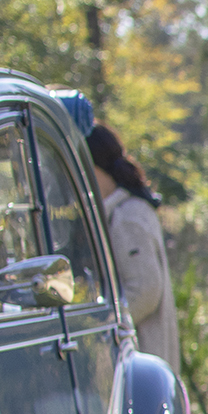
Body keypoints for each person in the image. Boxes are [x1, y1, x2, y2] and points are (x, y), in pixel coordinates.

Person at [86, 122, 181, 372]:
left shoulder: (127, 215)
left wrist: (94, 329)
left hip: (141, 359)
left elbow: (145, 290)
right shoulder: (118, 211)